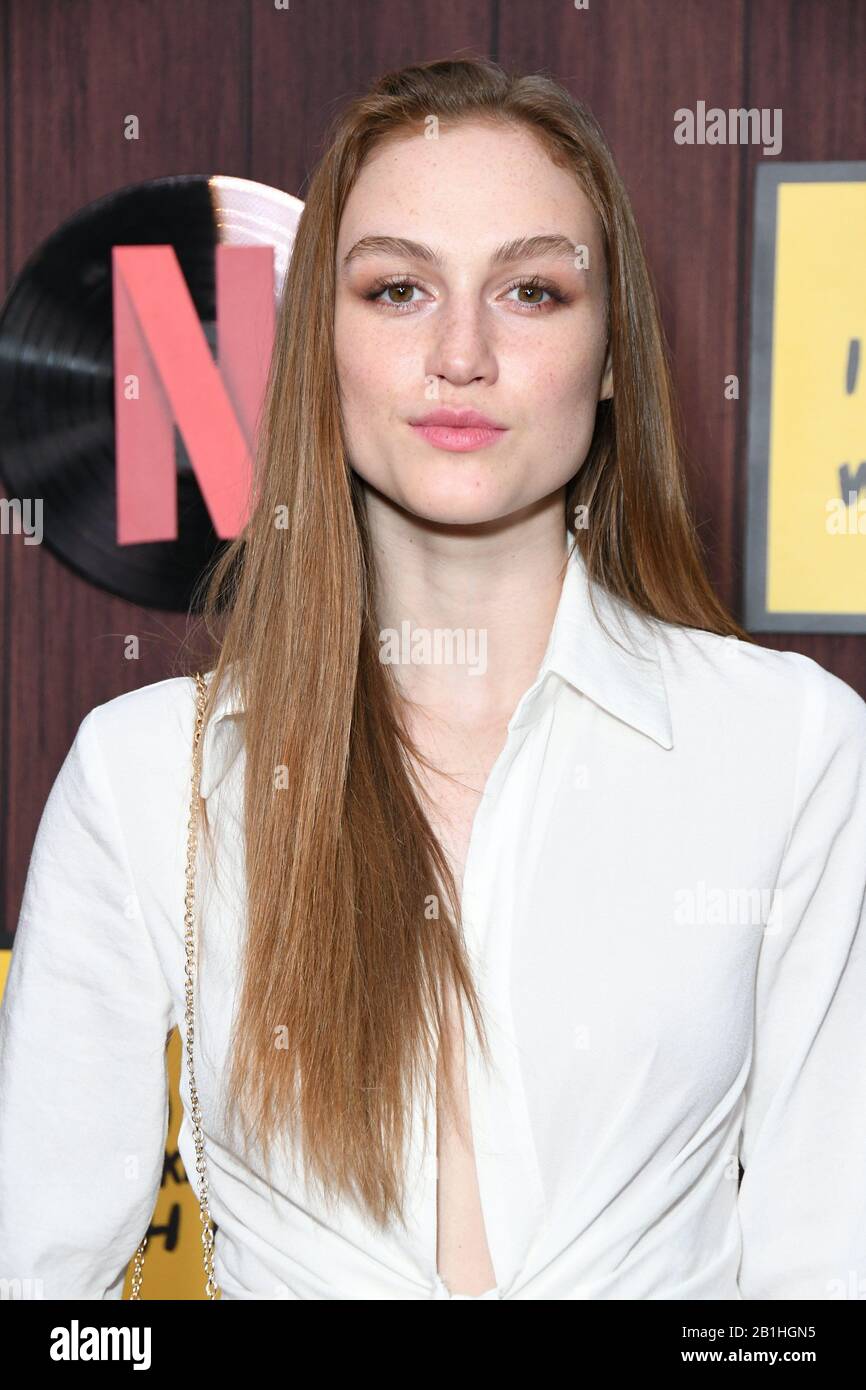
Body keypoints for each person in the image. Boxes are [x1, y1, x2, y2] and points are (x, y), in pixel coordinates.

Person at [1, 55, 865, 1302]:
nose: (460, 353)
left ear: (611, 355)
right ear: (320, 346)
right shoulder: (148, 777)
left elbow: (820, 1286)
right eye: (398, 289)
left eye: (530, 290)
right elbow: (48, 1313)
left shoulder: (790, 751)